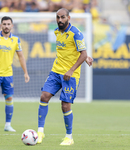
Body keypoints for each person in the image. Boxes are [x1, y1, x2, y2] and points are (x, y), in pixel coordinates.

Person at [37, 8, 93, 145]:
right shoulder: (57, 32)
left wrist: (71, 70)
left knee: (65, 105)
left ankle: (69, 137)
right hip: (56, 71)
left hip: (71, 75)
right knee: (44, 96)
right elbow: (75, 51)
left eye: (62, 17)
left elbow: (83, 53)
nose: (60, 20)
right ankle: (40, 132)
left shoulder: (76, 33)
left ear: (69, 18)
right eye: (58, 17)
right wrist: (84, 56)